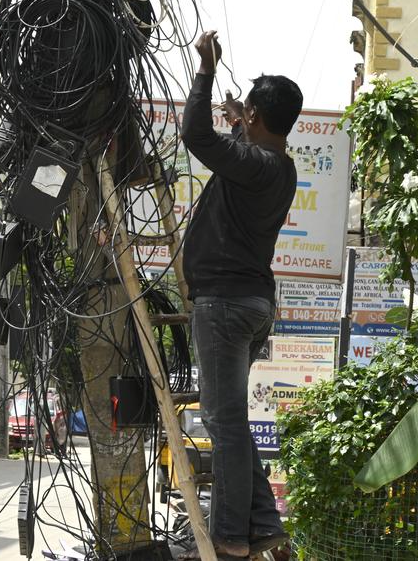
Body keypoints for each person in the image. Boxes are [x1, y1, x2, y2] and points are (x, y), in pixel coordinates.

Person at [180, 30, 301, 561]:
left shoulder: (256, 164)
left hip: (226, 305)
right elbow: (241, 150)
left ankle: (229, 537)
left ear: (256, 117)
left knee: (224, 421)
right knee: (231, 418)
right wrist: (240, 123)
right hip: (247, 304)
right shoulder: (278, 165)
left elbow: (196, 138)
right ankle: (263, 523)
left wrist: (205, 71)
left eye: (247, 114)